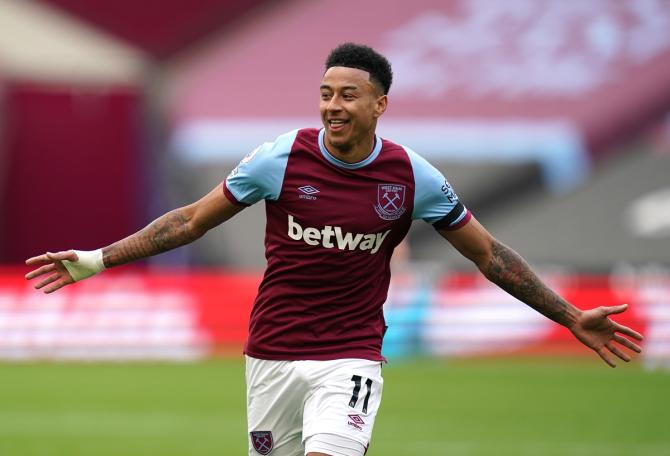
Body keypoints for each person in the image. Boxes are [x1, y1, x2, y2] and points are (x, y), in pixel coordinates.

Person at [25, 43, 643, 456]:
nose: (332, 106)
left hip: (349, 357)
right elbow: (190, 221)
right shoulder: (280, 158)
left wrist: (567, 315)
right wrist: (98, 260)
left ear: (379, 104)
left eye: (348, 95)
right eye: (325, 92)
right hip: (270, 353)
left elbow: (490, 255)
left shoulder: (413, 177)